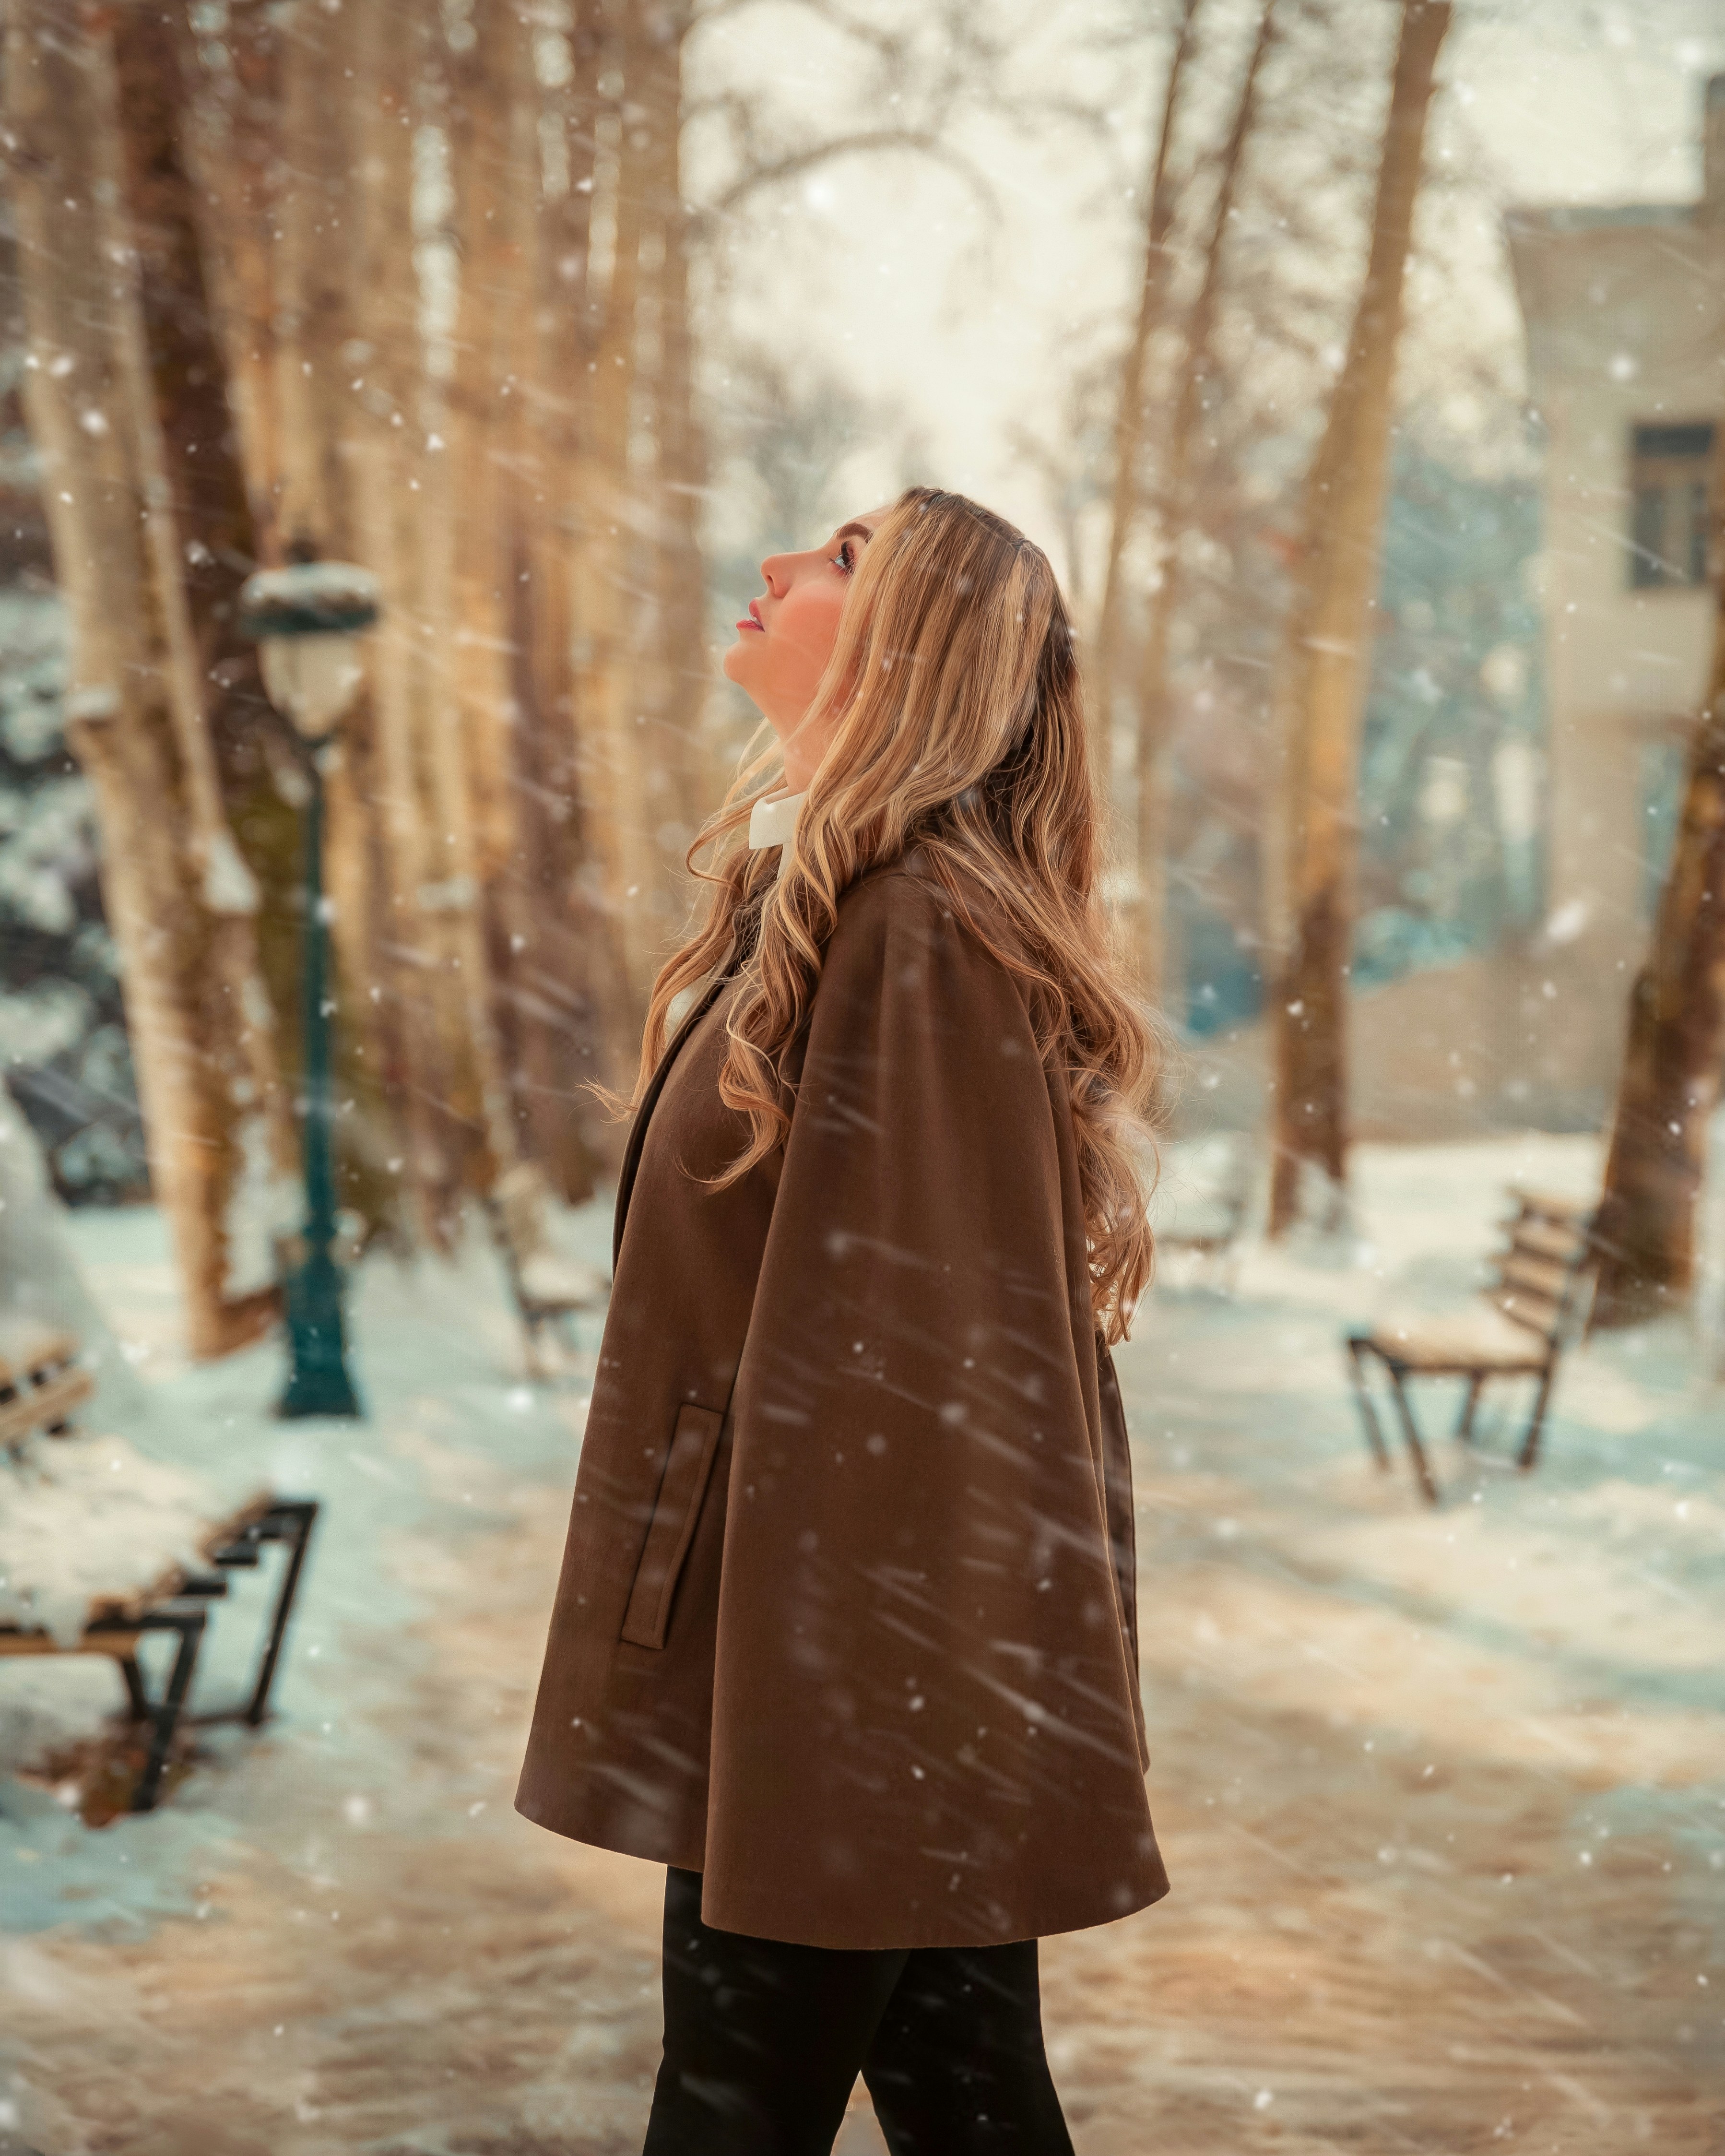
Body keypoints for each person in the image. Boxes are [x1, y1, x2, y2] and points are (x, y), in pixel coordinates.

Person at [516, 487, 1170, 2154]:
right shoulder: (847, 911)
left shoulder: (913, 937)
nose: (777, 565)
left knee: (739, 2116)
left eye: (844, 558)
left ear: (914, 646)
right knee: (965, 2099)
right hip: (833, 1665)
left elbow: (915, 1394)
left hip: (842, 1683)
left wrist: (834, 1735)